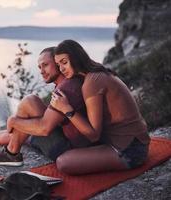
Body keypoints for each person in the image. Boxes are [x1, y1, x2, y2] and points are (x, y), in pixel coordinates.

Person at [0, 47, 91, 166]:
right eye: (39, 67)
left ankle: (11, 152)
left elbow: (44, 129)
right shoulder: (68, 83)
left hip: (68, 149)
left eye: (45, 65)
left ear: (58, 62)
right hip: (67, 138)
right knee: (27, 119)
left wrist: (14, 121)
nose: (41, 71)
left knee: (29, 104)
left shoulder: (65, 89)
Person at [50, 39, 150, 175]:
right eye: (58, 65)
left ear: (76, 58)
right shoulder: (95, 73)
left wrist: (66, 109)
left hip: (130, 150)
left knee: (63, 162)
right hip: (135, 142)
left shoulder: (92, 82)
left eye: (64, 62)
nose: (61, 69)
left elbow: (93, 135)